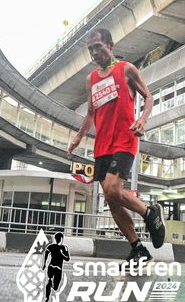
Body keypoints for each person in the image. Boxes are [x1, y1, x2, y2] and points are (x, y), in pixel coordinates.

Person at [67, 28, 164, 264]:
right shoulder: (90, 79)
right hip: (102, 145)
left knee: (112, 189)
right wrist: (78, 137)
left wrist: (142, 120)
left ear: (110, 46)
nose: (94, 53)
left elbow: (149, 97)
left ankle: (150, 213)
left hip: (125, 139)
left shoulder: (126, 69)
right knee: (112, 200)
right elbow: (91, 112)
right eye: (91, 49)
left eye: (98, 47)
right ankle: (138, 248)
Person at [41, 232, 70, 302]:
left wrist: (44, 264)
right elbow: (67, 258)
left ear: (55, 239)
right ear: (61, 239)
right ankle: (48, 295)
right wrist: (62, 254)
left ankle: (47, 298)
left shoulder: (51, 246)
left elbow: (46, 253)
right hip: (58, 269)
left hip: (51, 267)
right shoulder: (64, 248)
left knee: (50, 281)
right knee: (55, 287)